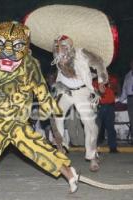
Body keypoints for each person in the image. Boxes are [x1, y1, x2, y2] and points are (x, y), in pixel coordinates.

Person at [0, 21, 79, 195]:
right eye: (2, 44)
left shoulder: (30, 63)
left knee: (34, 149)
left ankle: (69, 172)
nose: (7, 51)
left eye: (15, 45)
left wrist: (47, 106)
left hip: (17, 115)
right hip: (1, 114)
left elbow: (40, 87)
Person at [51, 35, 108, 172]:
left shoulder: (81, 53)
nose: (61, 50)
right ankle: (61, 148)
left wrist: (101, 81)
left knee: (89, 123)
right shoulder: (58, 57)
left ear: (69, 47)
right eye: (58, 48)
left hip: (82, 92)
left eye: (63, 47)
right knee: (56, 115)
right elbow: (59, 76)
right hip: (65, 92)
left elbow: (99, 62)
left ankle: (92, 156)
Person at [93, 73, 119, 153]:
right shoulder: (94, 81)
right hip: (99, 107)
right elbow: (95, 94)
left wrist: (108, 84)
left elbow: (116, 90)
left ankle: (113, 147)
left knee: (110, 127)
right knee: (96, 128)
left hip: (110, 106)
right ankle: (95, 148)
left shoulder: (112, 79)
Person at [118, 60, 133, 140]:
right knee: (132, 119)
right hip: (130, 99)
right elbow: (124, 90)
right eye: (131, 64)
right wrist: (120, 101)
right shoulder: (127, 75)